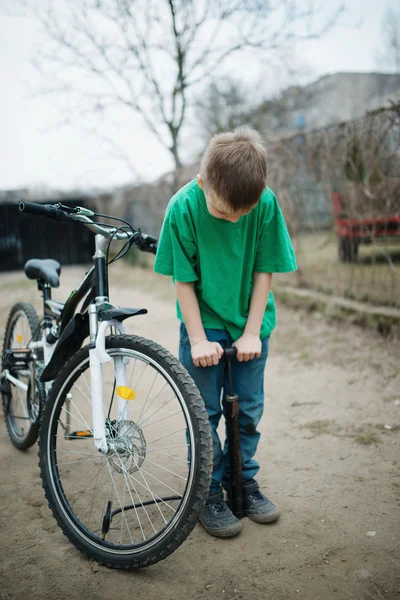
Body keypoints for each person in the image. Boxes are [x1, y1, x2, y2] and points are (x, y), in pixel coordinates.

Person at [154, 128, 297, 538]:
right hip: (203, 321)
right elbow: (183, 281)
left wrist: (252, 332)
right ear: (203, 184)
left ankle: (243, 483)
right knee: (205, 414)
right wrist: (198, 340)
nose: (234, 219)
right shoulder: (182, 207)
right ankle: (209, 492)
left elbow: (264, 269)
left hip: (249, 322)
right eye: (224, 213)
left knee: (248, 410)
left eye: (242, 213)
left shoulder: (265, 205)